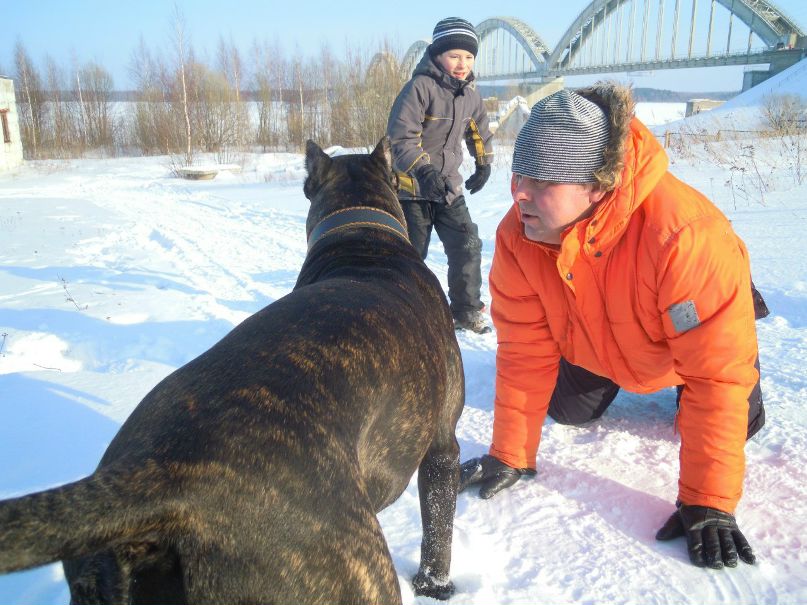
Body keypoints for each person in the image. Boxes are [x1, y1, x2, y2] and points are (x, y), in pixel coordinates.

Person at [459, 82, 769, 570]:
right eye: (520, 173)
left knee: (730, 410)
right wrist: (511, 453)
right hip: (597, 347)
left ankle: (738, 366)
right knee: (566, 410)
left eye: (542, 181)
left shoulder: (685, 237)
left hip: (680, 351)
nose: (519, 191)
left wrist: (708, 499)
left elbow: (716, 375)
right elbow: (523, 352)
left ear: (596, 185)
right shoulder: (518, 234)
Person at [387, 17, 495, 334]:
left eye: (469, 56)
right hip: (412, 189)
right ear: (438, 55)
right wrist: (423, 170)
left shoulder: (470, 95)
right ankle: (399, 312)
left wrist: (484, 162)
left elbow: (479, 132)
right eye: (454, 56)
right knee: (410, 254)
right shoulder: (419, 88)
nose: (462, 64)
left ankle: (465, 311)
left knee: (467, 244)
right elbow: (400, 139)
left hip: (448, 189)